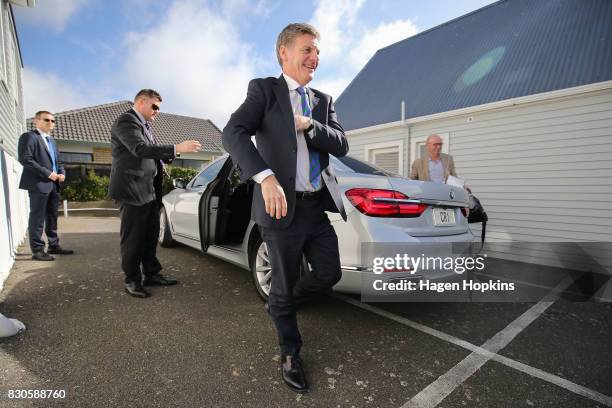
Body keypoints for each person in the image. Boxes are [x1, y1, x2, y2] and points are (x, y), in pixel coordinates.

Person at [222, 23, 349, 393]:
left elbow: (341, 144)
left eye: (318, 52)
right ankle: (291, 352)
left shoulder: (323, 101)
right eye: (308, 50)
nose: (315, 58)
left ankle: (281, 304)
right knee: (283, 279)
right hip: (279, 208)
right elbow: (232, 133)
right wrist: (264, 176)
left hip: (315, 207)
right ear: (284, 53)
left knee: (329, 273)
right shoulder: (264, 90)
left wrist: (310, 125)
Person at [109, 89, 201, 298]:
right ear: (141, 101)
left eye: (159, 108)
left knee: (150, 236)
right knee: (133, 238)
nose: (157, 112)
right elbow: (140, 149)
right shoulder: (126, 121)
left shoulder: (145, 126)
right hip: (131, 190)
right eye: (154, 106)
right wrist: (176, 147)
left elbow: (149, 154)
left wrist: (169, 156)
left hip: (149, 190)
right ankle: (131, 280)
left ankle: (151, 273)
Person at [18, 111, 73, 261]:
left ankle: (54, 246)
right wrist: (48, 174)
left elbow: (59, 162)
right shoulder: (29, 137)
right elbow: (25, 159)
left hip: (54, 185)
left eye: (53, 121)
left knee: (52, 216)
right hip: (38, 184)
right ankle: (37, 250)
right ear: (36, 121)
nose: (51, 123)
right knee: (38, 217)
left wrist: (62, 174)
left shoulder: (52, 141)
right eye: (47, 120)